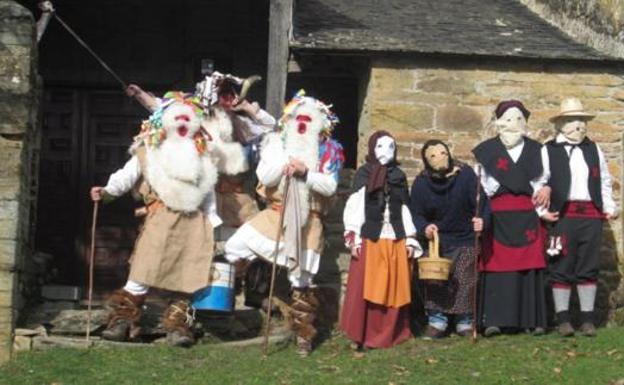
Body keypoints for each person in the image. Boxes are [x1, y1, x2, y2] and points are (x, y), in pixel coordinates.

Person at [90, 91, 221, 347]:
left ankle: (178, 328)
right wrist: (106, 193)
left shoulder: (202, 154)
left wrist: (214, 224)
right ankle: (122, 321)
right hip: (160, 218)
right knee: (143, 269)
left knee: (187, 275)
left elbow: (209, 191)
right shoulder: (149, 149)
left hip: (195, 221)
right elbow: (126, 175)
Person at [224, 90, 344, 356]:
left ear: (320, 123)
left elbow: (330, 186)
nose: (303, 123)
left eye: (309, 119)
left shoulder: (329, 150)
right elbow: (265, 176)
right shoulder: (277, 142)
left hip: (308, 223)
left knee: (301, 280)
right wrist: (284, 166)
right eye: (298, 118)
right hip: (275, 215)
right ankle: (251, 294)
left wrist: (306, 173)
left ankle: (303, 335)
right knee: (234, 247)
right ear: (290, 120)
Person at [472, 100, 554, 337]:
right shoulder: (486, 151)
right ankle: (495, 320)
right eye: (507, 119)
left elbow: (542, 182)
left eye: (518, 119)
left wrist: (545, 194)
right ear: (498, 122)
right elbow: (483, 188)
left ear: (525, 123)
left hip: (528, 213)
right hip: (497, 216)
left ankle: (532, 320)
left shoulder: (537, 150)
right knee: (497, 265)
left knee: (529, 266)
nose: (513, 124)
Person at [542, 97, 618, 337]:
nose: (580, 126)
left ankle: (587, 320)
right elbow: (539, 182)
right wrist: (542, 212)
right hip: (562, 215)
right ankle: (563, 319)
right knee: (561, 264)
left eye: (583, 121)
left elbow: (604, 180)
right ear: (562, 123)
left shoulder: (593, 148)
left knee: (588, 265)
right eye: (574, 121)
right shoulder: (549, 150)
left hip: (591, 215)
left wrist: (608, 205)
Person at [340, 131, 422, 350]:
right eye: (380, 147)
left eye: (390, 147)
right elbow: (355, 207)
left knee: (394, 288)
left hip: (395, 237)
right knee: (366, 288)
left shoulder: (399, 176)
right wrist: (354, 238)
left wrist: (410, 238)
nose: (386, 152)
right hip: (370, 238)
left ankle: (390, 334)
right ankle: (362, 335)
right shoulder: (363, 175)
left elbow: (405, 208)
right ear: (372, 149)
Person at [410, 140, 485, 339]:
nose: (439, 158)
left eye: (442, 153)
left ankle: (464, 321)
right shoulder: (422, 183)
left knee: (465, 278)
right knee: (434, 279)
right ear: (426, 160)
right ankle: (437, 321)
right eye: (433, 156)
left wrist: (481, 220)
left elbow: (481, 203)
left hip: (464, 236)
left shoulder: (466, 175)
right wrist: (424, 227)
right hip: (437, 239)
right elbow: (416, 213)